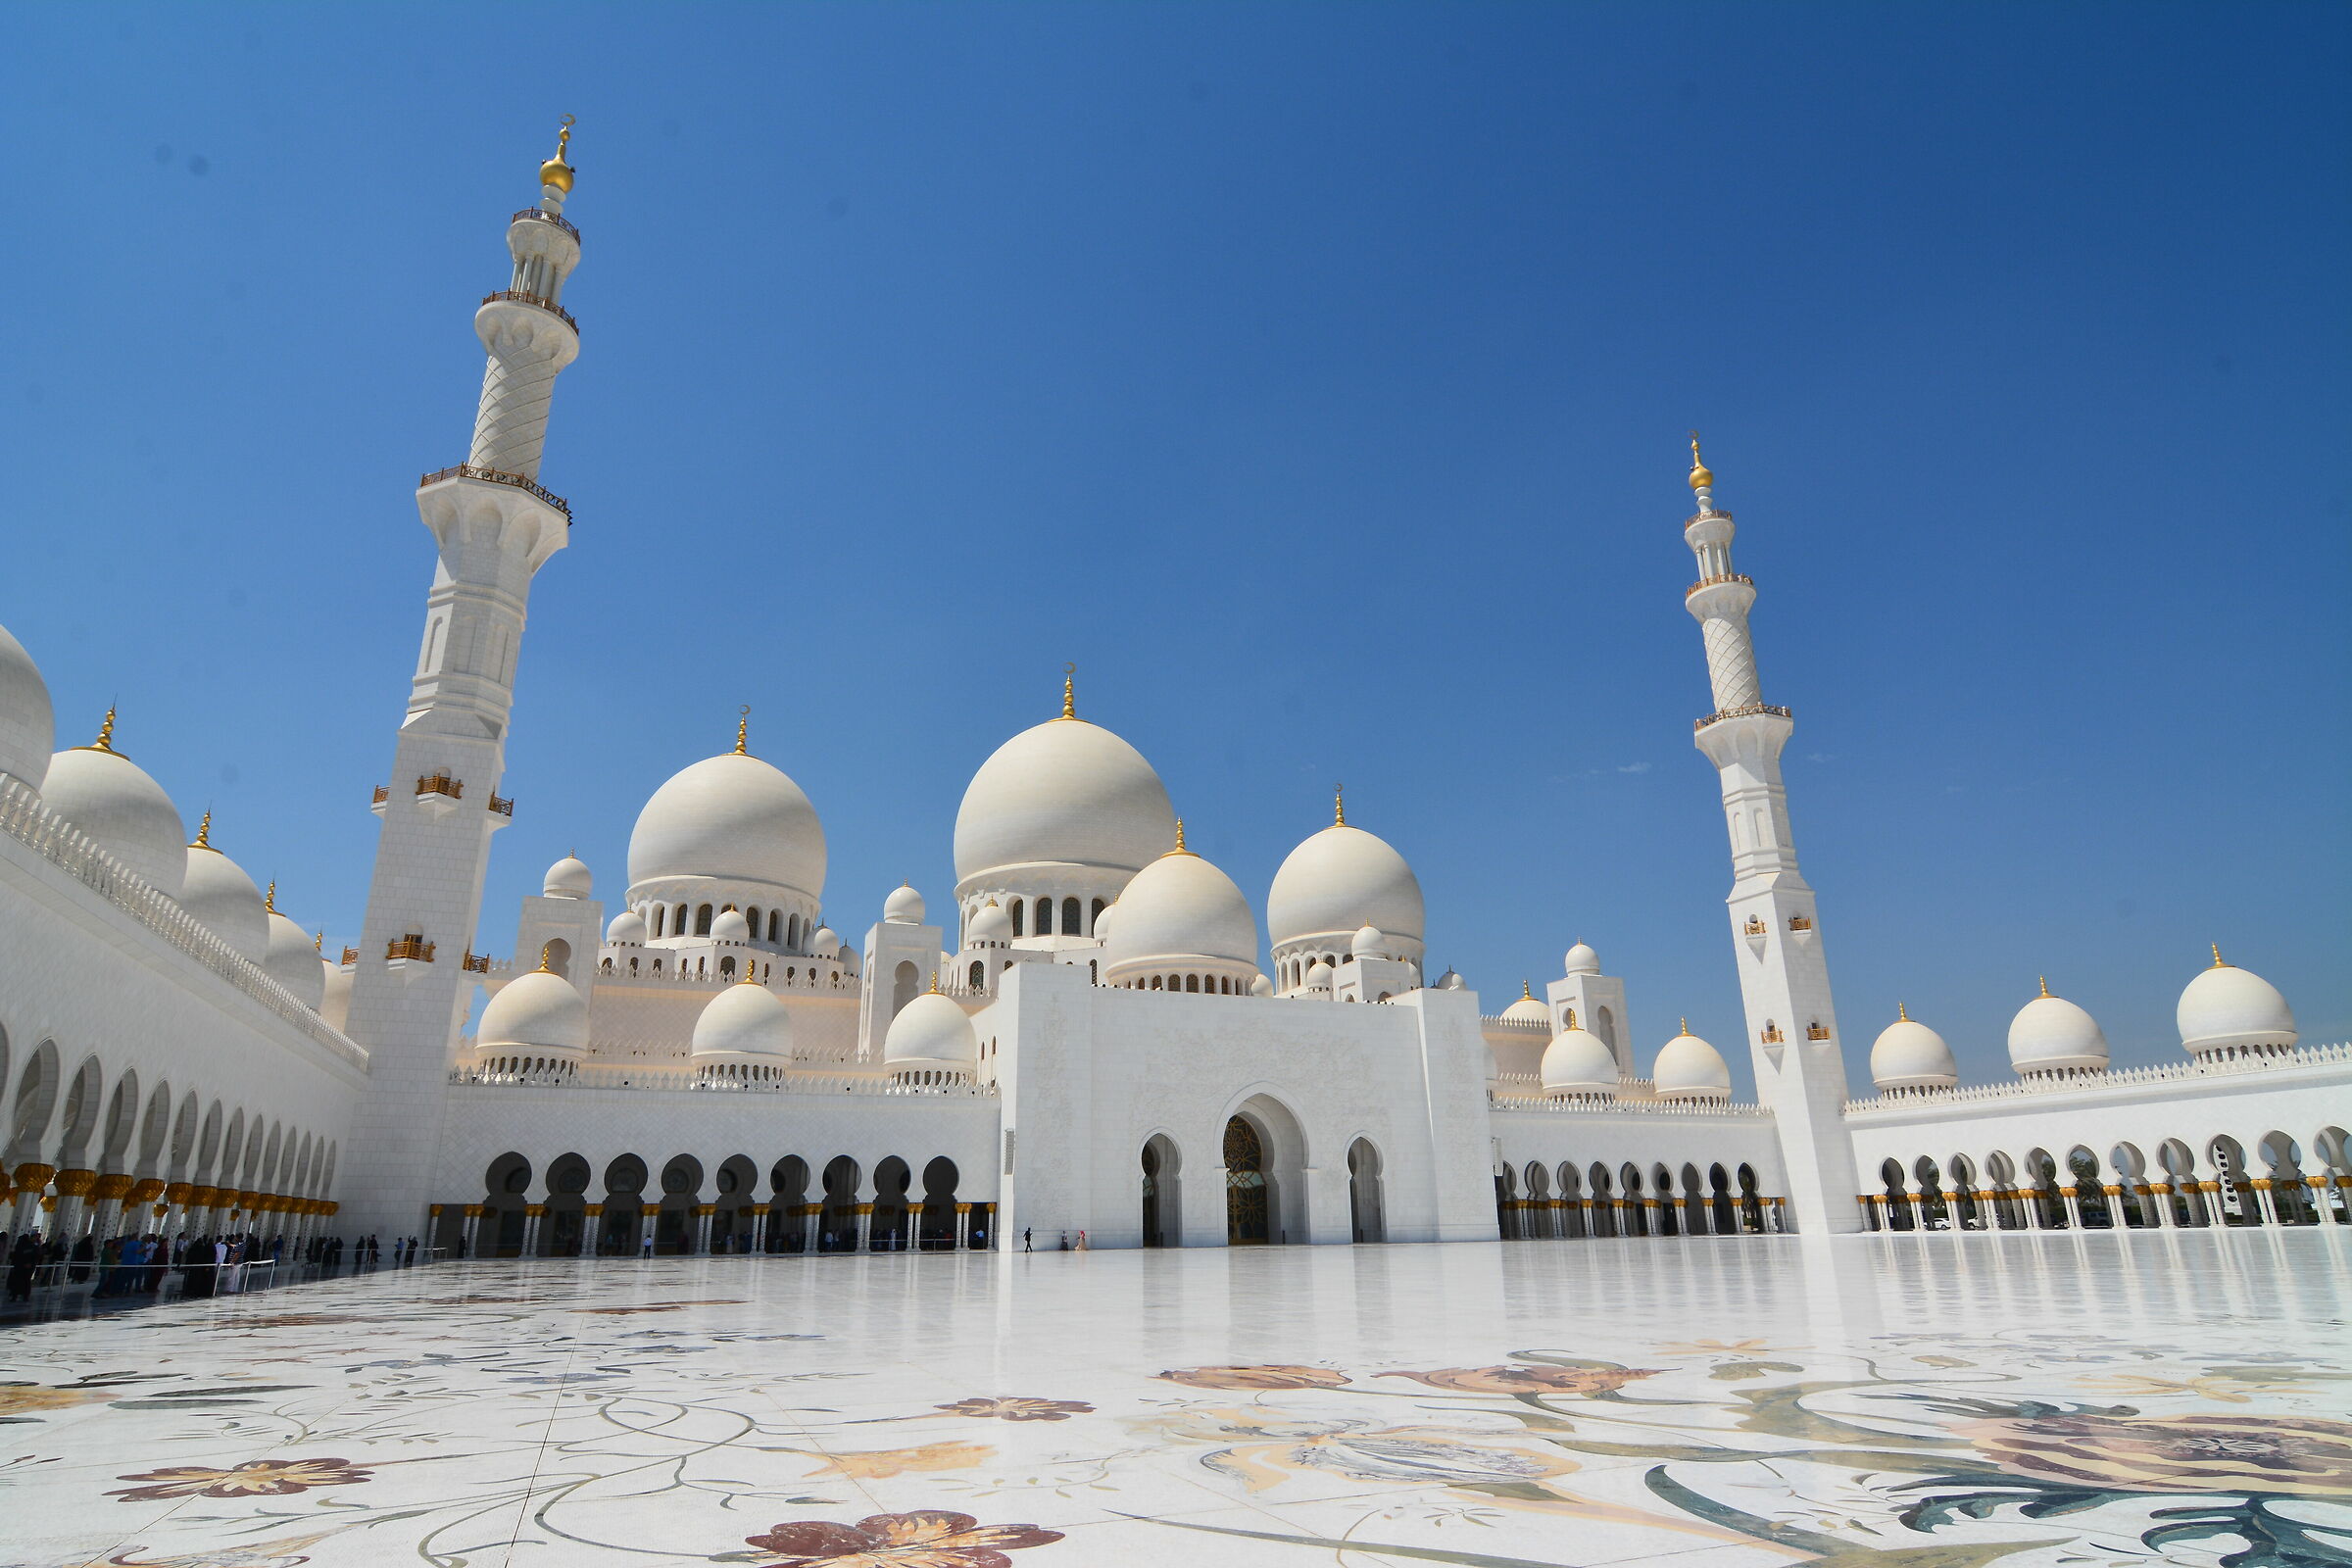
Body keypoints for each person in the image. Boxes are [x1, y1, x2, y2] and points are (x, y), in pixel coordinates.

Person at [6, 1232, 38, 1303]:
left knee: (18, 1281)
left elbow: (16, 1256)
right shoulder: (33, 1247)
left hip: (20, 1267)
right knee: (25, 1282)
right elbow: (35, 1257)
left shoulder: (21, 1246)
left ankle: (15, 1296)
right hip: (25, 1267)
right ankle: (24, 1296)